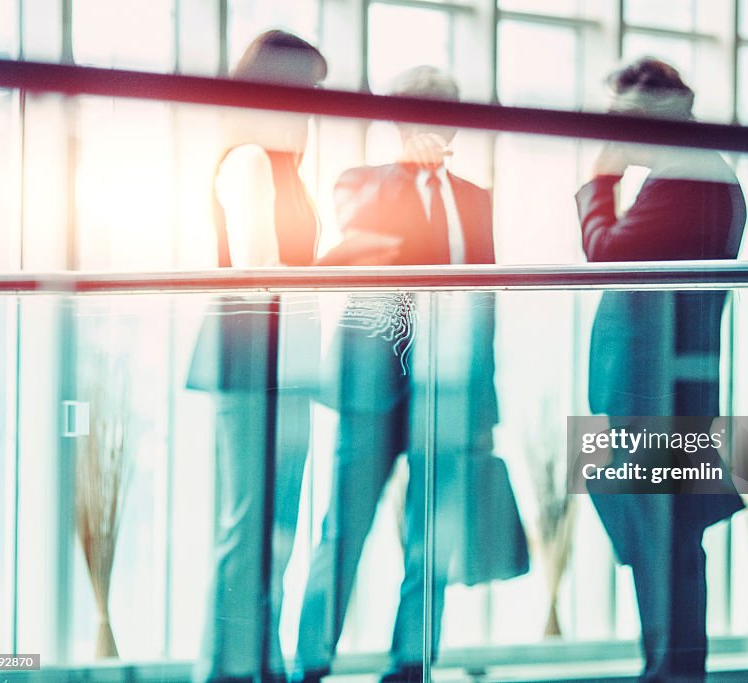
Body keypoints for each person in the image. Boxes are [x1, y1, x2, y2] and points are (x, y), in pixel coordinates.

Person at [294, 66, 527, 683]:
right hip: (371, 387)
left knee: (432, 543)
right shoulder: (361, 183)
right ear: (398, 120)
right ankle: (309, 665)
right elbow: (367, 243)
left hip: (449, 390)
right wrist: (411, 171)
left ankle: (410, 667)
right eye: (421, 113)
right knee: (342, 532)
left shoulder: (475, 197)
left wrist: (484, 396)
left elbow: (487, 299)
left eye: (445, 113)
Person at [575, 58, 746, 682]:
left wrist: (598, 180)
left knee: (663, 541)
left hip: (657, 391)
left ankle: (669, 671)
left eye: (615, 119)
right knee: (667, 540)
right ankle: (671, 668)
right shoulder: (698, 175)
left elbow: (605, 254)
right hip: (666, 385)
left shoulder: (686, 180)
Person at [185, 30, 327, 683]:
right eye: (311, 91)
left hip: (286, 356)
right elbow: (258, 268)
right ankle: (229, 668)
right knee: (249, 522)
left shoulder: (283, 166)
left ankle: (260, 661)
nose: (317, 108)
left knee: (276, 522)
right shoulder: (247, 159)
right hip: (248, 356)